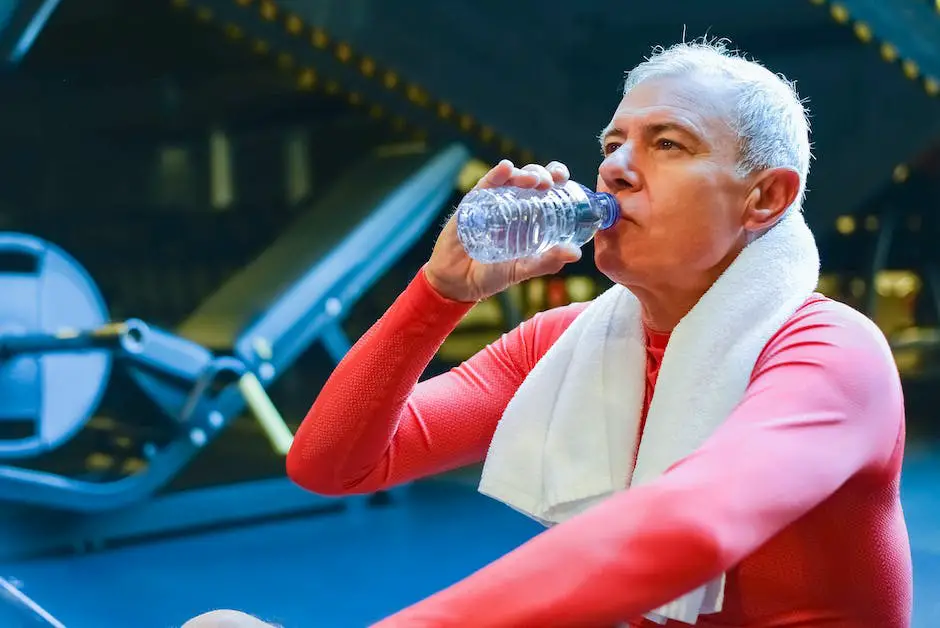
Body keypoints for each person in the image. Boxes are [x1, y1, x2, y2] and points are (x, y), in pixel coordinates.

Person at [284, 39, 913, 626]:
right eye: (613, 145)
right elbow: (329, 465)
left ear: (765, 197)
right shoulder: (566, 341)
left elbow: (689, 527)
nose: (615, 169)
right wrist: (438, 293)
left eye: (667, 144)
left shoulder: (831, 353)